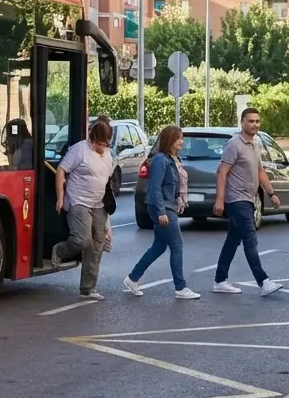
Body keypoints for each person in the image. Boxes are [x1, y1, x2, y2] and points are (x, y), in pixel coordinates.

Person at [123, 125, 200, 300]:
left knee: (159, 246)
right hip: (163, 207)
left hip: (168, 205)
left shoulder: (172, 159)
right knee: (177, 246)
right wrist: (161, 212)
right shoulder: (160, 160)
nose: (182, 141)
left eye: (181, 138)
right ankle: (180, 287)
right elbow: (155, 187)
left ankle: (132, 278)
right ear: (169, 140)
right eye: (178, 138)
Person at [212, 108, 282, 297]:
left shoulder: (257, 143)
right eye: (251, 121)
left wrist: (271, 193)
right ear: (242, 122)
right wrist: (220, 200)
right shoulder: (234, 144)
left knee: (233, 240)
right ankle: (263, 281)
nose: (255, 124)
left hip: (249, 199)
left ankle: (220, 280)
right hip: (236, 199)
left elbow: (260, 171)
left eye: (257, 121)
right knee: (250, 238)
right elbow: (222, 172)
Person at [52, 117, 114, 299]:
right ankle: (60, 250)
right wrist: (60, 197)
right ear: (91, 138)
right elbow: (61, 170)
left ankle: (88, 288)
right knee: (82, 240)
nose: (101, 148)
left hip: (99, 204)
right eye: (98, 144)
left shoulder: (108, 153)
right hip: (78, 201)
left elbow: (107, 182)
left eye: (105, 144)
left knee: (97, 245)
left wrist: (108, 224)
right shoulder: (80, 150)